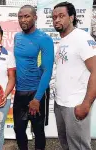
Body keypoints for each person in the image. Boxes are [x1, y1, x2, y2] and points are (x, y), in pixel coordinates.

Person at [52, 2, 96, 150]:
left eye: (61, 16)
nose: (57, 20)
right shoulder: (63, 41)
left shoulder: (82, 38)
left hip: (76, 104)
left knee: (79, 147)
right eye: (54, 17)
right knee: (66, 145)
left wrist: (86, 104)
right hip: (60, 104)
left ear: (72, 17)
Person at [13, 5, 54, 150]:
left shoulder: (45, 39)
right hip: (20, 92)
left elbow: (47, 71)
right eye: (20, 16)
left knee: (38, 131)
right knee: (18, 129)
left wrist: (37, 98)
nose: (22, 20)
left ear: (35, 18)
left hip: (36, 92)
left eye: (26, 16)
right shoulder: (17, 37)